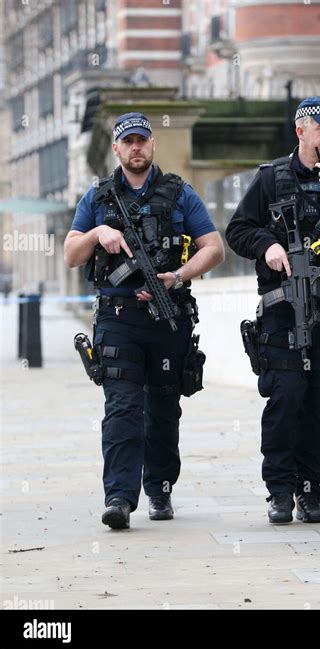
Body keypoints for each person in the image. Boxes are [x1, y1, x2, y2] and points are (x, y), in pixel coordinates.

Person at [225, 97, 320, 524]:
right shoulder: (271, 179)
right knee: (285, 398)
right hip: (282, 310)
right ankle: (279, 491)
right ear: (301, 132)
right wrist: (269, 245)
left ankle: (312, 491)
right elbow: (237, 230)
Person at [64, 112, 224, 529]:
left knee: (163, 409)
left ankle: (160, 490)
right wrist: (98, 233)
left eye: (142, 140)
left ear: (153, 145)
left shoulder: (179, 194)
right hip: (118, 319)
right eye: (127, 141)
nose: (136, 147)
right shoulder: (96, 199)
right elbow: (70, 253)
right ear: (116, 149)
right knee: (122, 408)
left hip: (167, 317)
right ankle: (119, 496)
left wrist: (178, 276)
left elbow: (214, 248)